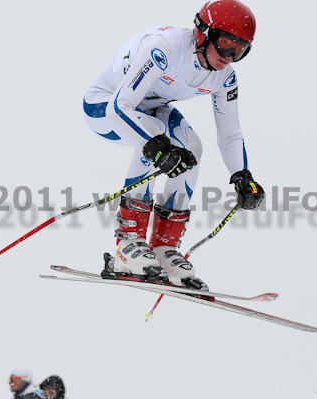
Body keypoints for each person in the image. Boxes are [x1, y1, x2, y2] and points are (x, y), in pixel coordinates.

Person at [82, 0, 265, 291]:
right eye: (226, 45)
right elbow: (119, 107)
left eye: (240, 50)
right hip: (104, 108)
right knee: (155, 134)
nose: (230, 56)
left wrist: (242, 176)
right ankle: (127, 244)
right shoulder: (165, 49)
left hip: (151, 108)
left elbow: (230, 134)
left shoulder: (224, 77)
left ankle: (162, 248)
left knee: (192, 148)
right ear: (204, 33)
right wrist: (156, 148)